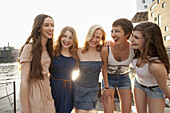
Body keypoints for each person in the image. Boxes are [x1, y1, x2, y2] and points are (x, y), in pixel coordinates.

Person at [19, 14, 55, 113]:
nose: (50, 28)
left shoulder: (48, 49)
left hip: (47, 93)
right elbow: (24, 81)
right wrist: (25, 110)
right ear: (38, 28)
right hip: (34, 94)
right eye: (46, 25)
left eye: (52, 25)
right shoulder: (29, 48)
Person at [130, 22, 170, 113]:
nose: (131, 39)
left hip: (155, 89)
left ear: (148, 40)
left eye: (136, 37)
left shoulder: (155, 65)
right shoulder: (135, 50)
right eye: (132, 36)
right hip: (139, 85)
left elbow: (164, 88)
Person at [101, 18, 134, 113]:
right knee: (108, 109)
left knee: (127, 110)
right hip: (108, 78)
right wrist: (106, 88)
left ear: (127, 34)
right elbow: (104, 68)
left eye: (117, 31)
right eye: (112, 31)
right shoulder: (106, 49)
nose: (113, 34)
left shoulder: (133, 48)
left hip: (124, 77)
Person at [74, 24, 106, 113]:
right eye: (92, 35)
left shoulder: (103, 52)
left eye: (98, 37)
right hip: (77, 88)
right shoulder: (78, 51)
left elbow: (106, 69)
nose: (94, 39)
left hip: (91, 90)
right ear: (88, 35)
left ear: (101, 39)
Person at [50, 26, 79, 113]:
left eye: (70, 37)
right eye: (65, 36)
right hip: (52, 87)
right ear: (60, 37)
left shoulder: (76, 54)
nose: (67, 40)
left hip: (68, 89)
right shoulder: (53, 53)